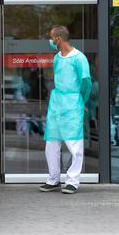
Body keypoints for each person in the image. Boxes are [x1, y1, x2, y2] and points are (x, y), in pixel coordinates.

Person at [39, 26, 92, 194]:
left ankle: (72, 181)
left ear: (58, 39)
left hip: (72, 102)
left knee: (74, 144)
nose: (50, 40)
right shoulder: (57, 58)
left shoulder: (79, 58)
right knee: (51, 143)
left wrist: (81, 100)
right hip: (57, 103)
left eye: (51, 37)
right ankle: (53, 179)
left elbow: (86, 82)